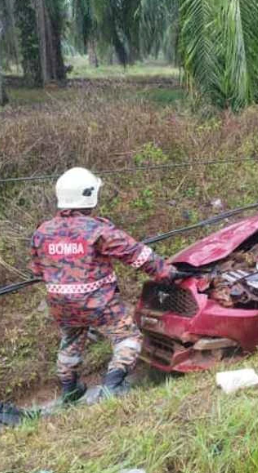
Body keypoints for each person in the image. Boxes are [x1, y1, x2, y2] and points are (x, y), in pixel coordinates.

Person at [30, 167, 187, 402]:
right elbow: (136, 254)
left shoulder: (42, 231)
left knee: (71, 340)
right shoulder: (97, 229)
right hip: (99, 303)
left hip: (61, 304)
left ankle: (69, 389)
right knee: (128, 337)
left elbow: (36, 269)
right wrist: (167, 273)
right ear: (89, 195)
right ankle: (113, 385)